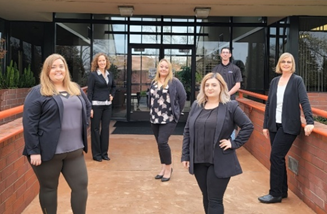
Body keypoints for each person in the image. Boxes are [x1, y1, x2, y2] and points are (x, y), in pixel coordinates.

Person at [22, 53, 91, 214]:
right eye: (53, 67)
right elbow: (29, 123)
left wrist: (82, 126)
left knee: (81, 186)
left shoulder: (75, 88)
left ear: (66, 69)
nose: (58, 70)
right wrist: (34, 151)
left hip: (74, 151)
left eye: (61, 66)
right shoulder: (37, 92)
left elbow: (87, 108)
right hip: (47, 153)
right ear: (47, 71)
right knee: (49, 188)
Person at [181, 72, 254, 214]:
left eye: (214, 85)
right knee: (206, 197)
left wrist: (234, 143)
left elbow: (248, 126)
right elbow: (187, 130)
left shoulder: (230, 106)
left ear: (221, 87)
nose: (210, 88)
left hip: (219, 160)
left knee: (215, 200)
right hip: (198, 159)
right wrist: (185, 155)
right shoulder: (197, 105)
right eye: (207, 85)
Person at [258, 52, 314, 203]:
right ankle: (282, 191)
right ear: (279, 64)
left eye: (289, 62)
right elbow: (269, 104)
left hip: (289, 126)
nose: (286, 64)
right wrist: (265, 125)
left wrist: (310, 121)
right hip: (274, 126)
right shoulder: (275, 81)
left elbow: (304, 101)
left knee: (275, 156)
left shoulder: (297, 81)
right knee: (279, 158)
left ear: (292, 64)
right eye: (283, 62)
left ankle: (274, 193)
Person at [148, 58, 186, 182]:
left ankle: (168, 168)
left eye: (166, 67)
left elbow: (183, 97)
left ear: (169, 69)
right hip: (155, 118)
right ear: (158, 68)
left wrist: (177, 112)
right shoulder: (154, 82)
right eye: (161, 66)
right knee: (159, 144)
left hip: (168, 118)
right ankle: (163, 167)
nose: (163, 69)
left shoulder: (174, 82)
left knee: (162, 142)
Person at [87, 53, 116, 162]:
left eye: (103, 60)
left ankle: (104, 153)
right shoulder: (93, 75)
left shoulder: (110, 74)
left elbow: (113, 86)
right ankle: (96, 154)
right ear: (96, 63)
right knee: (95, 129)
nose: (102, 62)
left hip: (107, 106)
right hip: (96, 106)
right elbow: (89, 93)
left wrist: (112, 95)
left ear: (106, 62)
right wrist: (90, 108)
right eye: (100, 61)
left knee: (105, 129)